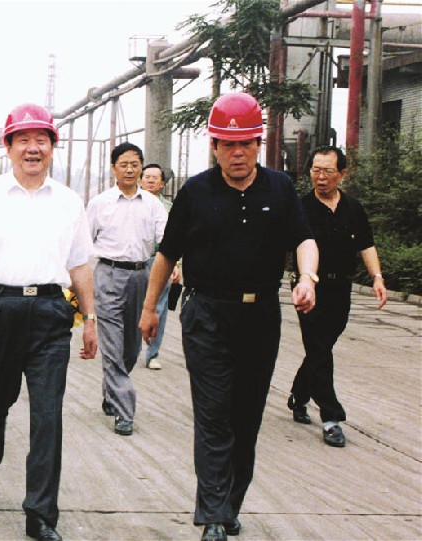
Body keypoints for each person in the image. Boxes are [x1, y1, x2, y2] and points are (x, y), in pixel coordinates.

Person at [139, 92, 318, 541]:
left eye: (246, 144)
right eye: (228, 144)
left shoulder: (279, 188)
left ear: (258, 143)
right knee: (213, 415)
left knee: (246, 417)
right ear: (214, 146)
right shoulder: (196, 193)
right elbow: (167, 254)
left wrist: (308, 277)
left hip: (260, 318)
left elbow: (304, 239)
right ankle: (214, 516)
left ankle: (230, 503)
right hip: (207, 315)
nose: (238, 153)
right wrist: (149, 308)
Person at [0, 103, 97, 541]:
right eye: (24, 140)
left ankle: (41, 514)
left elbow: (80, 266)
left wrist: (90, 318)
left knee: (48, 416)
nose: (33, 148)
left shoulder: (69, 201)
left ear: (52, 147)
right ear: (9, 147)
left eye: (41, 140)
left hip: (50, 313)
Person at [287, 145, 387, 448]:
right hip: (309, 289)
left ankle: (299, 394)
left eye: (327, 171)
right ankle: (331, 418)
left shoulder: (353, 208)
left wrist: (377, 278)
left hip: (341, 289)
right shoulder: (301, 207)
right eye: (315, 170)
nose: (320, 177)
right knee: (319, 349)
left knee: (321, 348)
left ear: (342, 173)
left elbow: (366, 245)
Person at [86, 143, 168, 436]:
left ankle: (111, 391)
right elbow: (84, 243)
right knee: (112, 345)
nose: (130, 170)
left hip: (141, 277)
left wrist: (176, 265)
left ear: (141, 167)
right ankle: (124, 411)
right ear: (113, 168)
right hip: (108, 275)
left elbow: (166, 239)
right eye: (124, 165)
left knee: (132, 348)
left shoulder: (153, 205)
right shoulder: (100, 203)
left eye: (135, 164)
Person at [140, 162, 181, 370]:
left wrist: (177, 264)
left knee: (159, 307)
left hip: (159, 260)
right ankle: (129, 349)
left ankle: (152, 354)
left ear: (162, 183)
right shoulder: (132, 204)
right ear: (140, 181)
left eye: (155, 178)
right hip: (135, 261)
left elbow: (176, 239)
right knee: (132, 305)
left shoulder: (170, 209)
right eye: (147, 177)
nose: (150, 181)